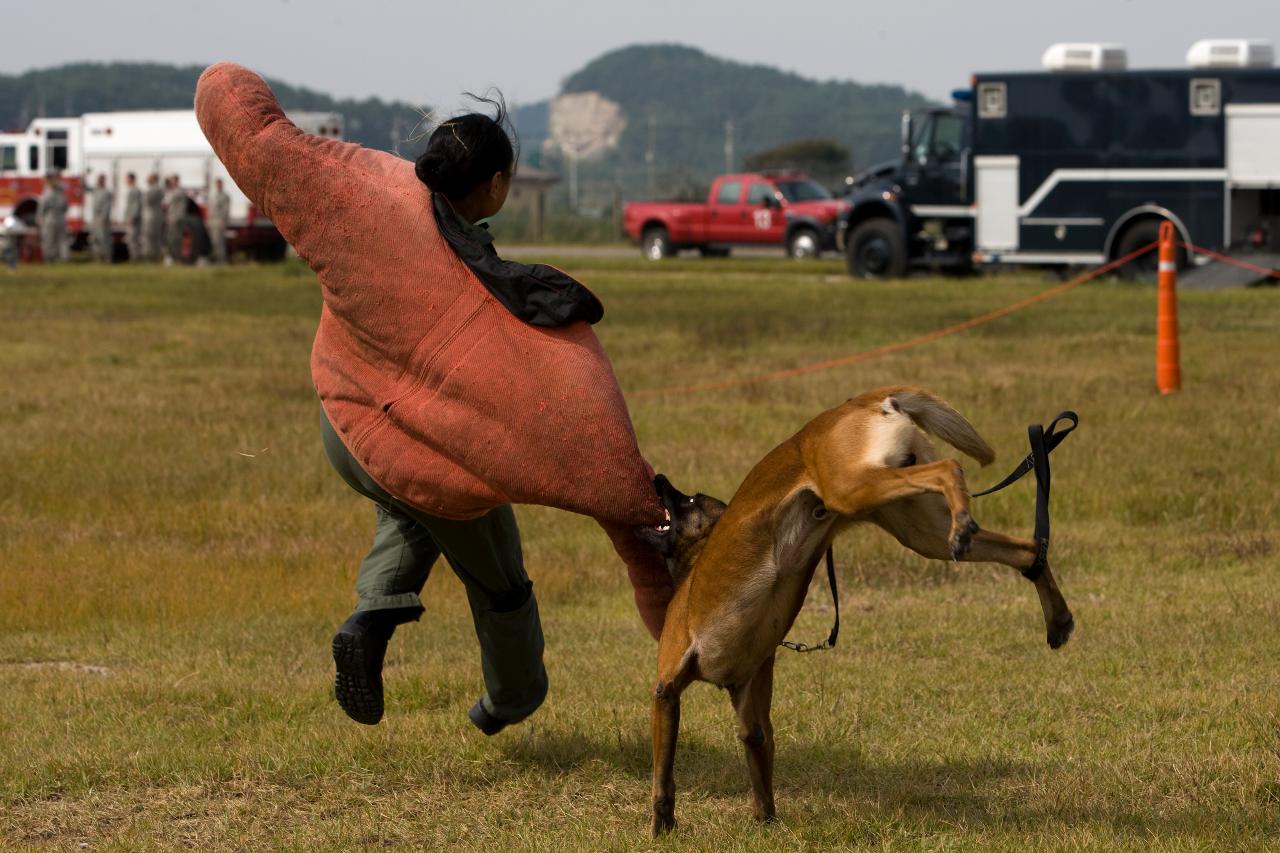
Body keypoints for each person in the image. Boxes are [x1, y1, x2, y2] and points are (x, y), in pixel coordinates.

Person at [195, 63, 671, 737]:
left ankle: (374, 609)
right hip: (421, 451)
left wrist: (226, 78)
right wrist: (649, 537)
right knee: (498, 576)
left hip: (347, 422)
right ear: (498, 185)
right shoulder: (495, 300)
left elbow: (252, 135)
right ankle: (508, 700)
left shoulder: (367, 192)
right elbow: (597, 455)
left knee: (415, 500)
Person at [37, 173, 68, 263]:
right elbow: (65, 206)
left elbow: (42, 206)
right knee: (62, 240)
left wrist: (39, 217)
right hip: (61, 218)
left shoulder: (47, 192)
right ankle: (64, 258)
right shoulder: (61, 193)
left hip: (49, 218)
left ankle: (49, 258)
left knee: (49, 239)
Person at [89, 174, 114, 263]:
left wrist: (104, 217)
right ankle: (98, 257)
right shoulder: (96, 191)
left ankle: (107, 257)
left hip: (102, 219)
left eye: (101, 180)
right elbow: (85, 187)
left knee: (104, 239)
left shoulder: (106, 192)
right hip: (95, 218)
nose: (98, 181)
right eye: (98, 179)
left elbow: (107, 206)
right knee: (95, 238)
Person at [163, 175, 187, 264]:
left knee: (176, 239)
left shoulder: (179, 191)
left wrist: (176, 218)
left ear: (176, 181)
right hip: (171, 218)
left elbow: (181, 207)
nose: (171, 182)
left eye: (172, 180)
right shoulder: (172, 191)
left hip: (176, 219)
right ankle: (172, 257)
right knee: (171, 239)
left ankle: (178, 259)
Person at [207, 178, 231, 263]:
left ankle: (221, 260)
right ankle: (216, 259)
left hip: (219, 220)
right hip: (212, 221)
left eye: (219, 184)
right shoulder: (213, 195)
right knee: (213, 241)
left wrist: (223, 220)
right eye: (217, 184)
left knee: (219, 241)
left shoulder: (225, 196)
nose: (218, 185)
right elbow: (210, 209)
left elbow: (225, 210)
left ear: (222, 185)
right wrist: (208, 221)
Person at [141, 174, 164, 261]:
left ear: (153, 179)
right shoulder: (159, 189)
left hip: (151, 216)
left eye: (149, 178)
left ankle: (150, 256)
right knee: (156, 237)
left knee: (149, 237)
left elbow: (147, 201)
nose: (147, 180)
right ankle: (156, 255)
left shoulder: (153, 189)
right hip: (157, 215)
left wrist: (144, 195)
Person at [122, 173, 143, 261]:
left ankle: (135, 257)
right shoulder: (131, 190)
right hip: (130, 217)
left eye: (127, 179)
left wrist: (132, 216)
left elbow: (136, 205)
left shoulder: (135, 190)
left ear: (132, 179)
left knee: (133, 238)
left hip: (133, 218)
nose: (126, 181)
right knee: (132, 238)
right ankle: (134, 256)